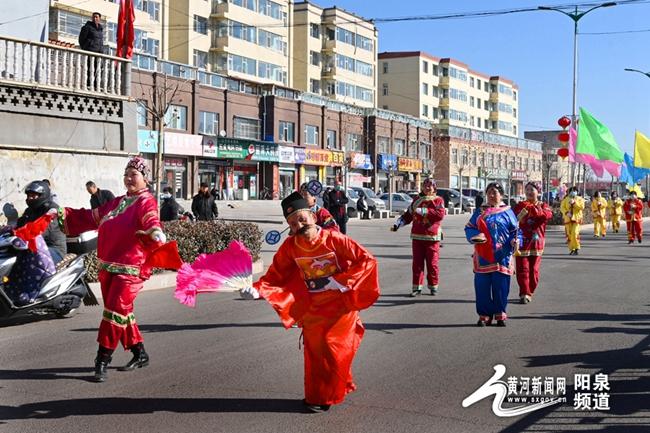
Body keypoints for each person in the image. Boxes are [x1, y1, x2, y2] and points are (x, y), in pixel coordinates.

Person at [245, 191, 379, 413]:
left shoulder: (335, 239)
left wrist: (341, 281)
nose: (299, 224)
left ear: (313, 217)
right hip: (313, 309)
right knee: (314, 353)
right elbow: (275, 276)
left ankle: (332, 393)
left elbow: (367, 260)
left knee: (333, 350)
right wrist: (256, 290)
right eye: (292, 222)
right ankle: (316, 396)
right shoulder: (290, 247)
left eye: (301, 218)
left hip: (339, 308)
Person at [58, 157, 167, 382]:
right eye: (126, 174)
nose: (128, 178)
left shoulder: (146, 201)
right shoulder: (117, 202)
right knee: (121, 312)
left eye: (133, 174)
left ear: (145, 178)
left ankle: (102, 360)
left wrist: (155, 232)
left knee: (114, 311)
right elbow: (91, 217)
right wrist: (61, 214)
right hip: (108, 265)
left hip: (131, 268)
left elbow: (151, 221)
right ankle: (139, 353)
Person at [464, 182, 519, 327]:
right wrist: (475, 235)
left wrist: (516, 241)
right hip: (483, 256)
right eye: (489, 192)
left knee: (501, 287)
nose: (491, 195)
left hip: (503, 256)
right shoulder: (480, 212)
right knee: (482, 286)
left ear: (501, 194)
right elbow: (469, 227)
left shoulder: (507, 211)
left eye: (495, 192)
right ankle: (484, 315)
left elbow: (517, 232)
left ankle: (500, 314)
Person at [391, 178, 445, 297]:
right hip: (417, 236)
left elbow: (440, 214)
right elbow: (408, 215)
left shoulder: (438, 200)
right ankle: (416, 287)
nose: (427, 188)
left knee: (432, 263)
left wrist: (424, 211)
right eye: (425, 185)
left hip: (432, 237)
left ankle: (433, 286)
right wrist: (398, 223)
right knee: (417, 264)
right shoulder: (417, 200)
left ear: (434, 187)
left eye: (430, 186)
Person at [513, 182, 553, 304]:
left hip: (537, 243)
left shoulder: (543, 206)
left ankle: (530, 290)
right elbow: (513, 219)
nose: (529, 192)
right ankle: (524, 293)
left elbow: (547, 215)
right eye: (527, 189)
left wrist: (533, 208)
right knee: (522, 270)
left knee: (534, 271)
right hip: (522, 243)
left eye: (532, 189)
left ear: (538, 192)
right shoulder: (520, 205)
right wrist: (519, 216)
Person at [16, 180, 67, 263]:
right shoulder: (30, 210)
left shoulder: (52, 210)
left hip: (54, 249)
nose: (29, 198)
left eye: (33, 195)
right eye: (28, 196)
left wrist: (23, 236)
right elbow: (20, 224)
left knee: (29, 259)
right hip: (35, 246)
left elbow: (41, 232)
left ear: (42, 195)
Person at [560, 187, 585, 255]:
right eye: (571, 191)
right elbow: (562, 207)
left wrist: (574, 203)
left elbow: (581, 207)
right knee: (569, 235)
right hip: (568, 219)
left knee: (574, 233)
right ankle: (572, 249)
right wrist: (566, 213)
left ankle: (576, 247)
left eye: (574, 191)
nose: (573, 192)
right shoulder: (566, 199)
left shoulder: (580, 199)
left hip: (576, 219)